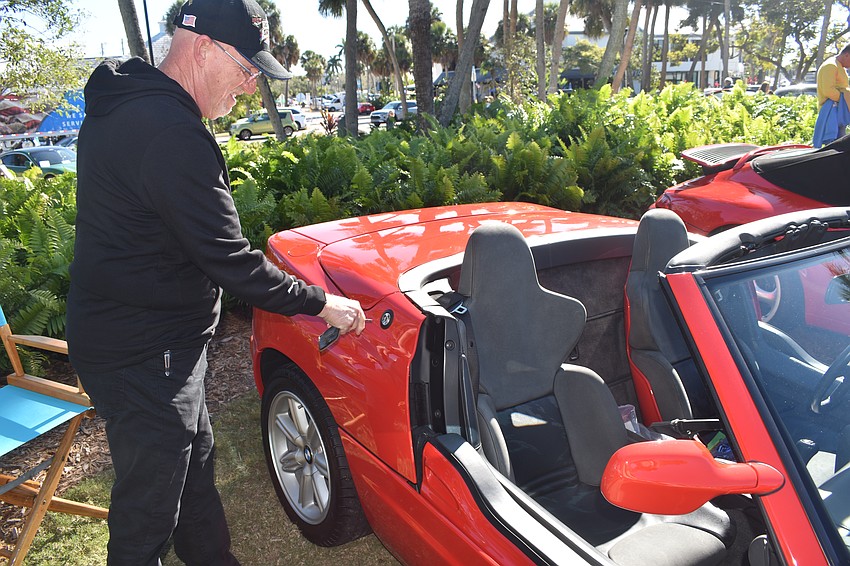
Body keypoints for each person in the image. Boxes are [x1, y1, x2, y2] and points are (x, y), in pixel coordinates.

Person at [66, 0, 367, 564]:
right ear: (202, 48)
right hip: (143, 350)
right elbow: (232, 263)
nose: (252, 88)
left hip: (147, 339)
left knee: (194, 464)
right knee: (146, 517)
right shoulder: (168, 133)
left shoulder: (127, 104)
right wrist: (324, 304)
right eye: (247, 69)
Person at [813, 45, 850, 147]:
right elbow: (828, 91)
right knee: (835, 146)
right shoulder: (831, 66)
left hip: (839, 111)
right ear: (847, 55)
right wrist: (845, 99)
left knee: (841, 145)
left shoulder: (839, 66)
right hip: (831, 111)